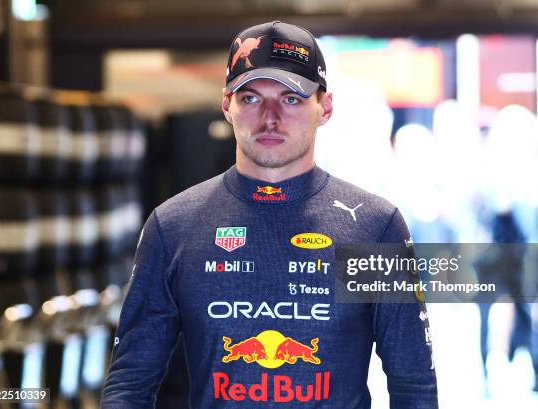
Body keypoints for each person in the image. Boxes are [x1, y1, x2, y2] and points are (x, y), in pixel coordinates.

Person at [101, 20, 438, 408]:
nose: (271, 117)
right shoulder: (174, 225)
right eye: (251, 98)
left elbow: (414, 386)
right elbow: (129, 385)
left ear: (325, 107)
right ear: (227, 105)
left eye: (291, 98)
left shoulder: (375, 226)